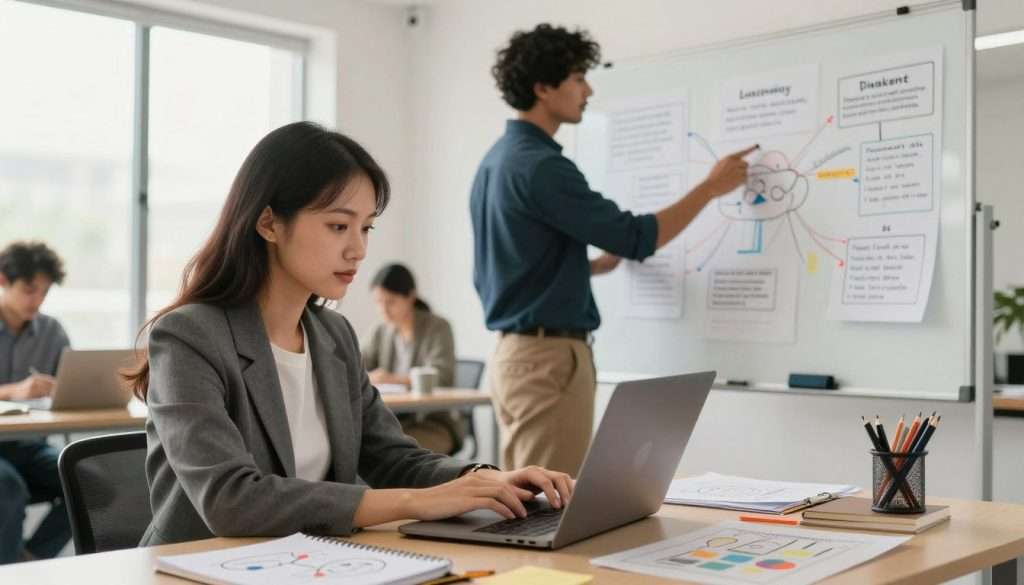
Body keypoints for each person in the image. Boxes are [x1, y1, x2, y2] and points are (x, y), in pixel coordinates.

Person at [125, 121, 572, 546]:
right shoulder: (188, 337)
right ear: (268, 224)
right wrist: (415, 502)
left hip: (311, 564)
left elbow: (393, 458)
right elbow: (230, 501)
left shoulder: (333, 335)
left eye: (366, 227)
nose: (358, 250)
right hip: (199, 568)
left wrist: (485, 480)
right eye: (338, 226)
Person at [471, 24, 755, 475]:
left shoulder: (497, 160)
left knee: (525, 500)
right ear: (543, 87)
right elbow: (637, 237)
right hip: (548, 361)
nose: (588, 89)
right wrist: (710, 188)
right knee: (546, 508)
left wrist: (588, 268)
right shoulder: (543, 166)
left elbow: (513, 259)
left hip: (515, 357)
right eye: (578, 77)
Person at [0, 241, 71, 563]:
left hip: (28, 444)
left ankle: (27, 562)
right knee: (9, 488)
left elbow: (68, 388)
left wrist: (64, 389)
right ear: (3, 281)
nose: (37, 300)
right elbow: (16, 392)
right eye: (30, 290)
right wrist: (14, 391)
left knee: (87, 480)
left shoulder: (52, 332)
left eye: (44, 292)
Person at [362, 263, 465, 454]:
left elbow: (442, 376)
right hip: (394, 424)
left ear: (410, 296)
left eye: (390, 301)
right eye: (378, 302)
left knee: (392, 454)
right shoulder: (381, 330)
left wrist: (392, 379)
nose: (383, 309)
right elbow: (354, 365)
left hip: (432, 423)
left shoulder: (437, 327)